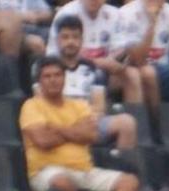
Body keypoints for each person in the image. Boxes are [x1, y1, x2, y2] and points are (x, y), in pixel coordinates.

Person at [20, 57, 140, 191]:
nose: (53, 80)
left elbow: (91, 135)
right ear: (39, 81)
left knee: (129, 183)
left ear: (64, 77)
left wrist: (56, 129)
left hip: (84, 170)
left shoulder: (80, 106)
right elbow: (42, 140)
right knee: (61, 182)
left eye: (58, 75)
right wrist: (75, 130)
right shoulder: (31, 106)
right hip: (46, 171)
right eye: (47, 76)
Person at [52, 14, 137, 150]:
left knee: (127, 123)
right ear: (57, 40)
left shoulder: (93, 69)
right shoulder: (47, 68)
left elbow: (99, 108)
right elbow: (41, 103)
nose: (70, 42)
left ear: (82, 40)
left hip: (89, 121)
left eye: (75, 37)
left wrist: (85, 123)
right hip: (58, 121)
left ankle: (121, 168)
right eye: (65, 37)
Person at [47, 0, 142, 106]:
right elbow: (53, 55)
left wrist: (115, 63)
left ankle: (135, 119)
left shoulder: (115, 14)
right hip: (73, 68)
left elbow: (121, 50)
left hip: (107, 71)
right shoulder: (66, 14)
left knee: (132, 75)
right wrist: (98, 62)